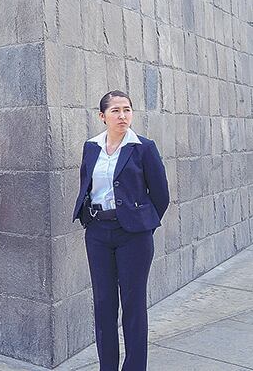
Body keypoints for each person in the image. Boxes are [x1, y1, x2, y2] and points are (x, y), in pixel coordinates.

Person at [72, 90, 170, 371]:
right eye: (115, 110)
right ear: (102, 117)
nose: (122, 115)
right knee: (103, 304)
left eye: (127, 109)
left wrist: (141, 226)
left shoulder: (143, 147)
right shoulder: (91, 146)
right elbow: (87, 185)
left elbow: (161, 195)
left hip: (134, 236)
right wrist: (88, 218)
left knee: (133, 305)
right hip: (98, 233)